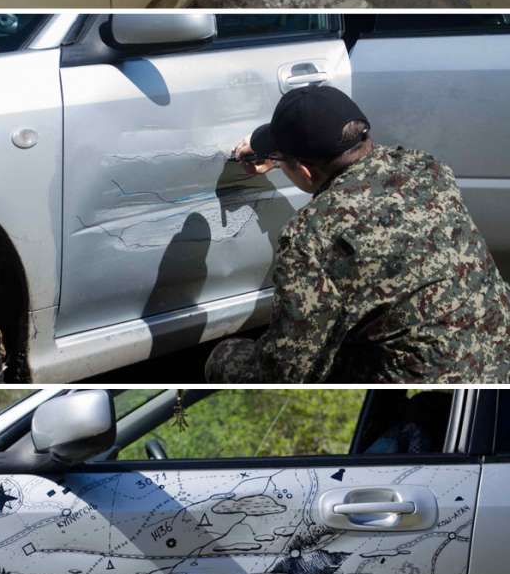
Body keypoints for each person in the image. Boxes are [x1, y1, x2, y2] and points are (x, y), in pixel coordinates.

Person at [205, 84, 510, 384]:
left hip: (433, 383)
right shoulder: (427, 167)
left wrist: (233, 358)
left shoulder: (311, 235)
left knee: (226, 358)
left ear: (306, 170)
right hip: (500, 355)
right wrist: (281, 156)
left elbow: (288, 370)